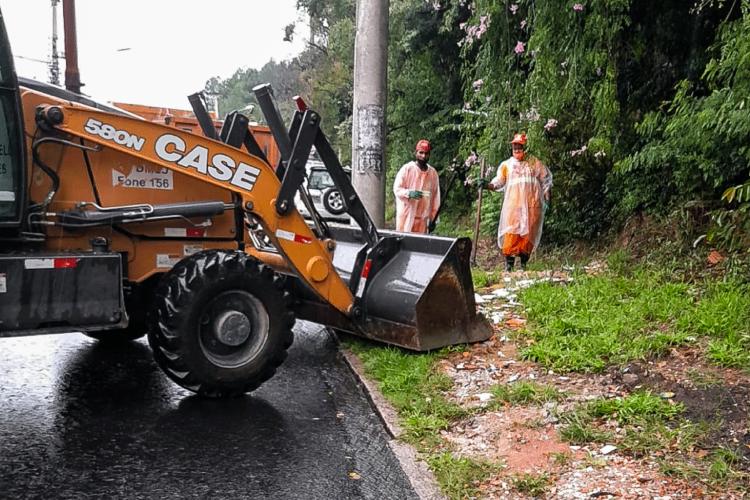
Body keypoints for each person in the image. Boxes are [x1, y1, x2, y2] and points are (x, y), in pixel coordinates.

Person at [487, 133, 552, 271]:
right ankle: (509, 266)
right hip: (513, 206)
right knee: (511, 233)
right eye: (515, 146)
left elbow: (546, 181)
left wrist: (547, 199)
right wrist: (488, 185)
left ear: (524, 147)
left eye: (519, 146)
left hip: (532, 206)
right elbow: (499, 181)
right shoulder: (507, 165)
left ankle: (523, 265)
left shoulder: (534, 163)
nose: (517, 149)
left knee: (528, 235)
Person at [393, 139, 441, 233]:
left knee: (419, 245)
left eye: (426, 153)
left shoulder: (433, 173)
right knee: (404, 243)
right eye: (421, 152)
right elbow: (397, 189)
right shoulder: (407, 169)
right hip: (407, 216)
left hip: (423, 219)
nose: (423, 156)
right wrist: (409, 193)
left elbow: (435, 198)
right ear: (416, 153)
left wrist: (434, 218)